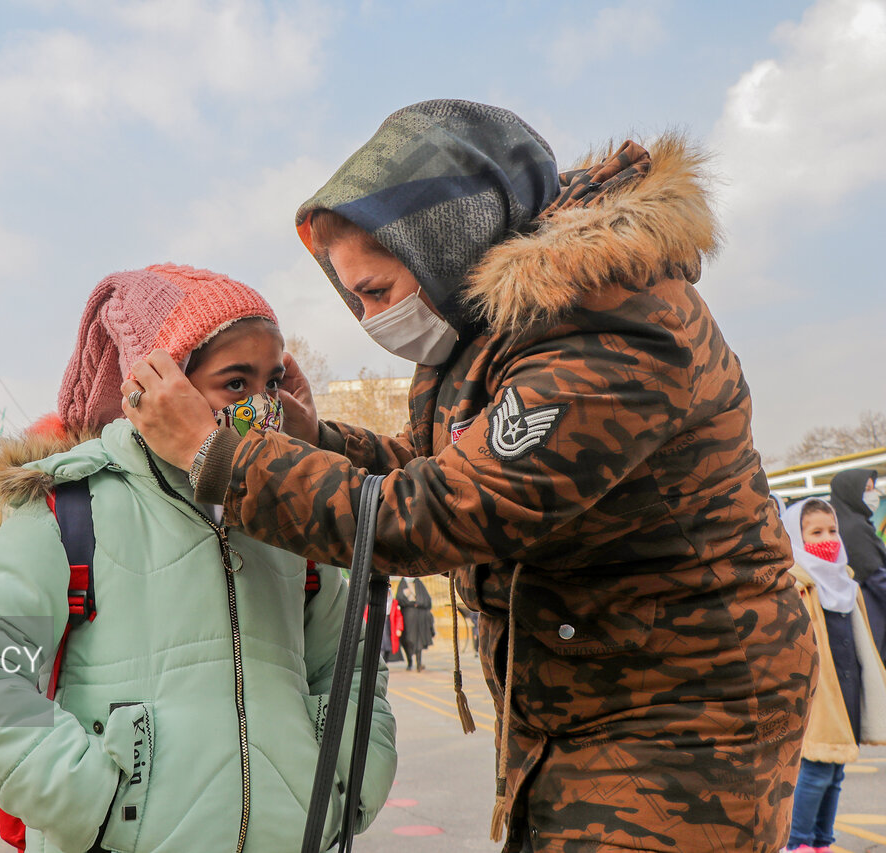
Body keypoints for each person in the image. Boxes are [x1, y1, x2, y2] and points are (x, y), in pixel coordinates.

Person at [125, 100, 815, 851]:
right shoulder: (496, 334)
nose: (366, 319)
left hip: (681, 722)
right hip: (589, 708)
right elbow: (435, 466)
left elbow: (433, 514)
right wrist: (316, 436)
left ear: (444, 248)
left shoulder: (608, 324)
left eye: (378, 292)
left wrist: (216, 455)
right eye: (352, 298)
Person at [0, 264, 396, 853]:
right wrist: (96, 806)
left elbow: (351, 668)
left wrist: (343, 791)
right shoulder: (70, 508)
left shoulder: (288, 515)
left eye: (271, 382)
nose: (262, 407)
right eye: (236, 383)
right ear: (157, 384)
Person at [780, 498, 886, 853]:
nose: (828, 539)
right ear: (796, 536)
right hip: (818, 692)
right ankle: (798, 844)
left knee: (837, 771)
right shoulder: (795, 585)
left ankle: (822, 842)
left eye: (832, 530)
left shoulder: (844, 582)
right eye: (815, 533)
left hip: (847, 687)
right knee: (815, 772)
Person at [828, 468, 886, 658]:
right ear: (851, 492)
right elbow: (876, 577)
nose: (873, 495)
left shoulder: (843, 523)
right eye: (867, 489)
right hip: (873, 610)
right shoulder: (855, 527)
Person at [396, 578, 434, 671]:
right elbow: (399, 598)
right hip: (407, 616)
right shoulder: (402, 583)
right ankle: (410, 662)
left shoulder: (418, 583)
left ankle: (418, 663)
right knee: (407, 640)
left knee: (418, 641)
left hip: (419, 618)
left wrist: (418, 602)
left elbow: (426, 600)